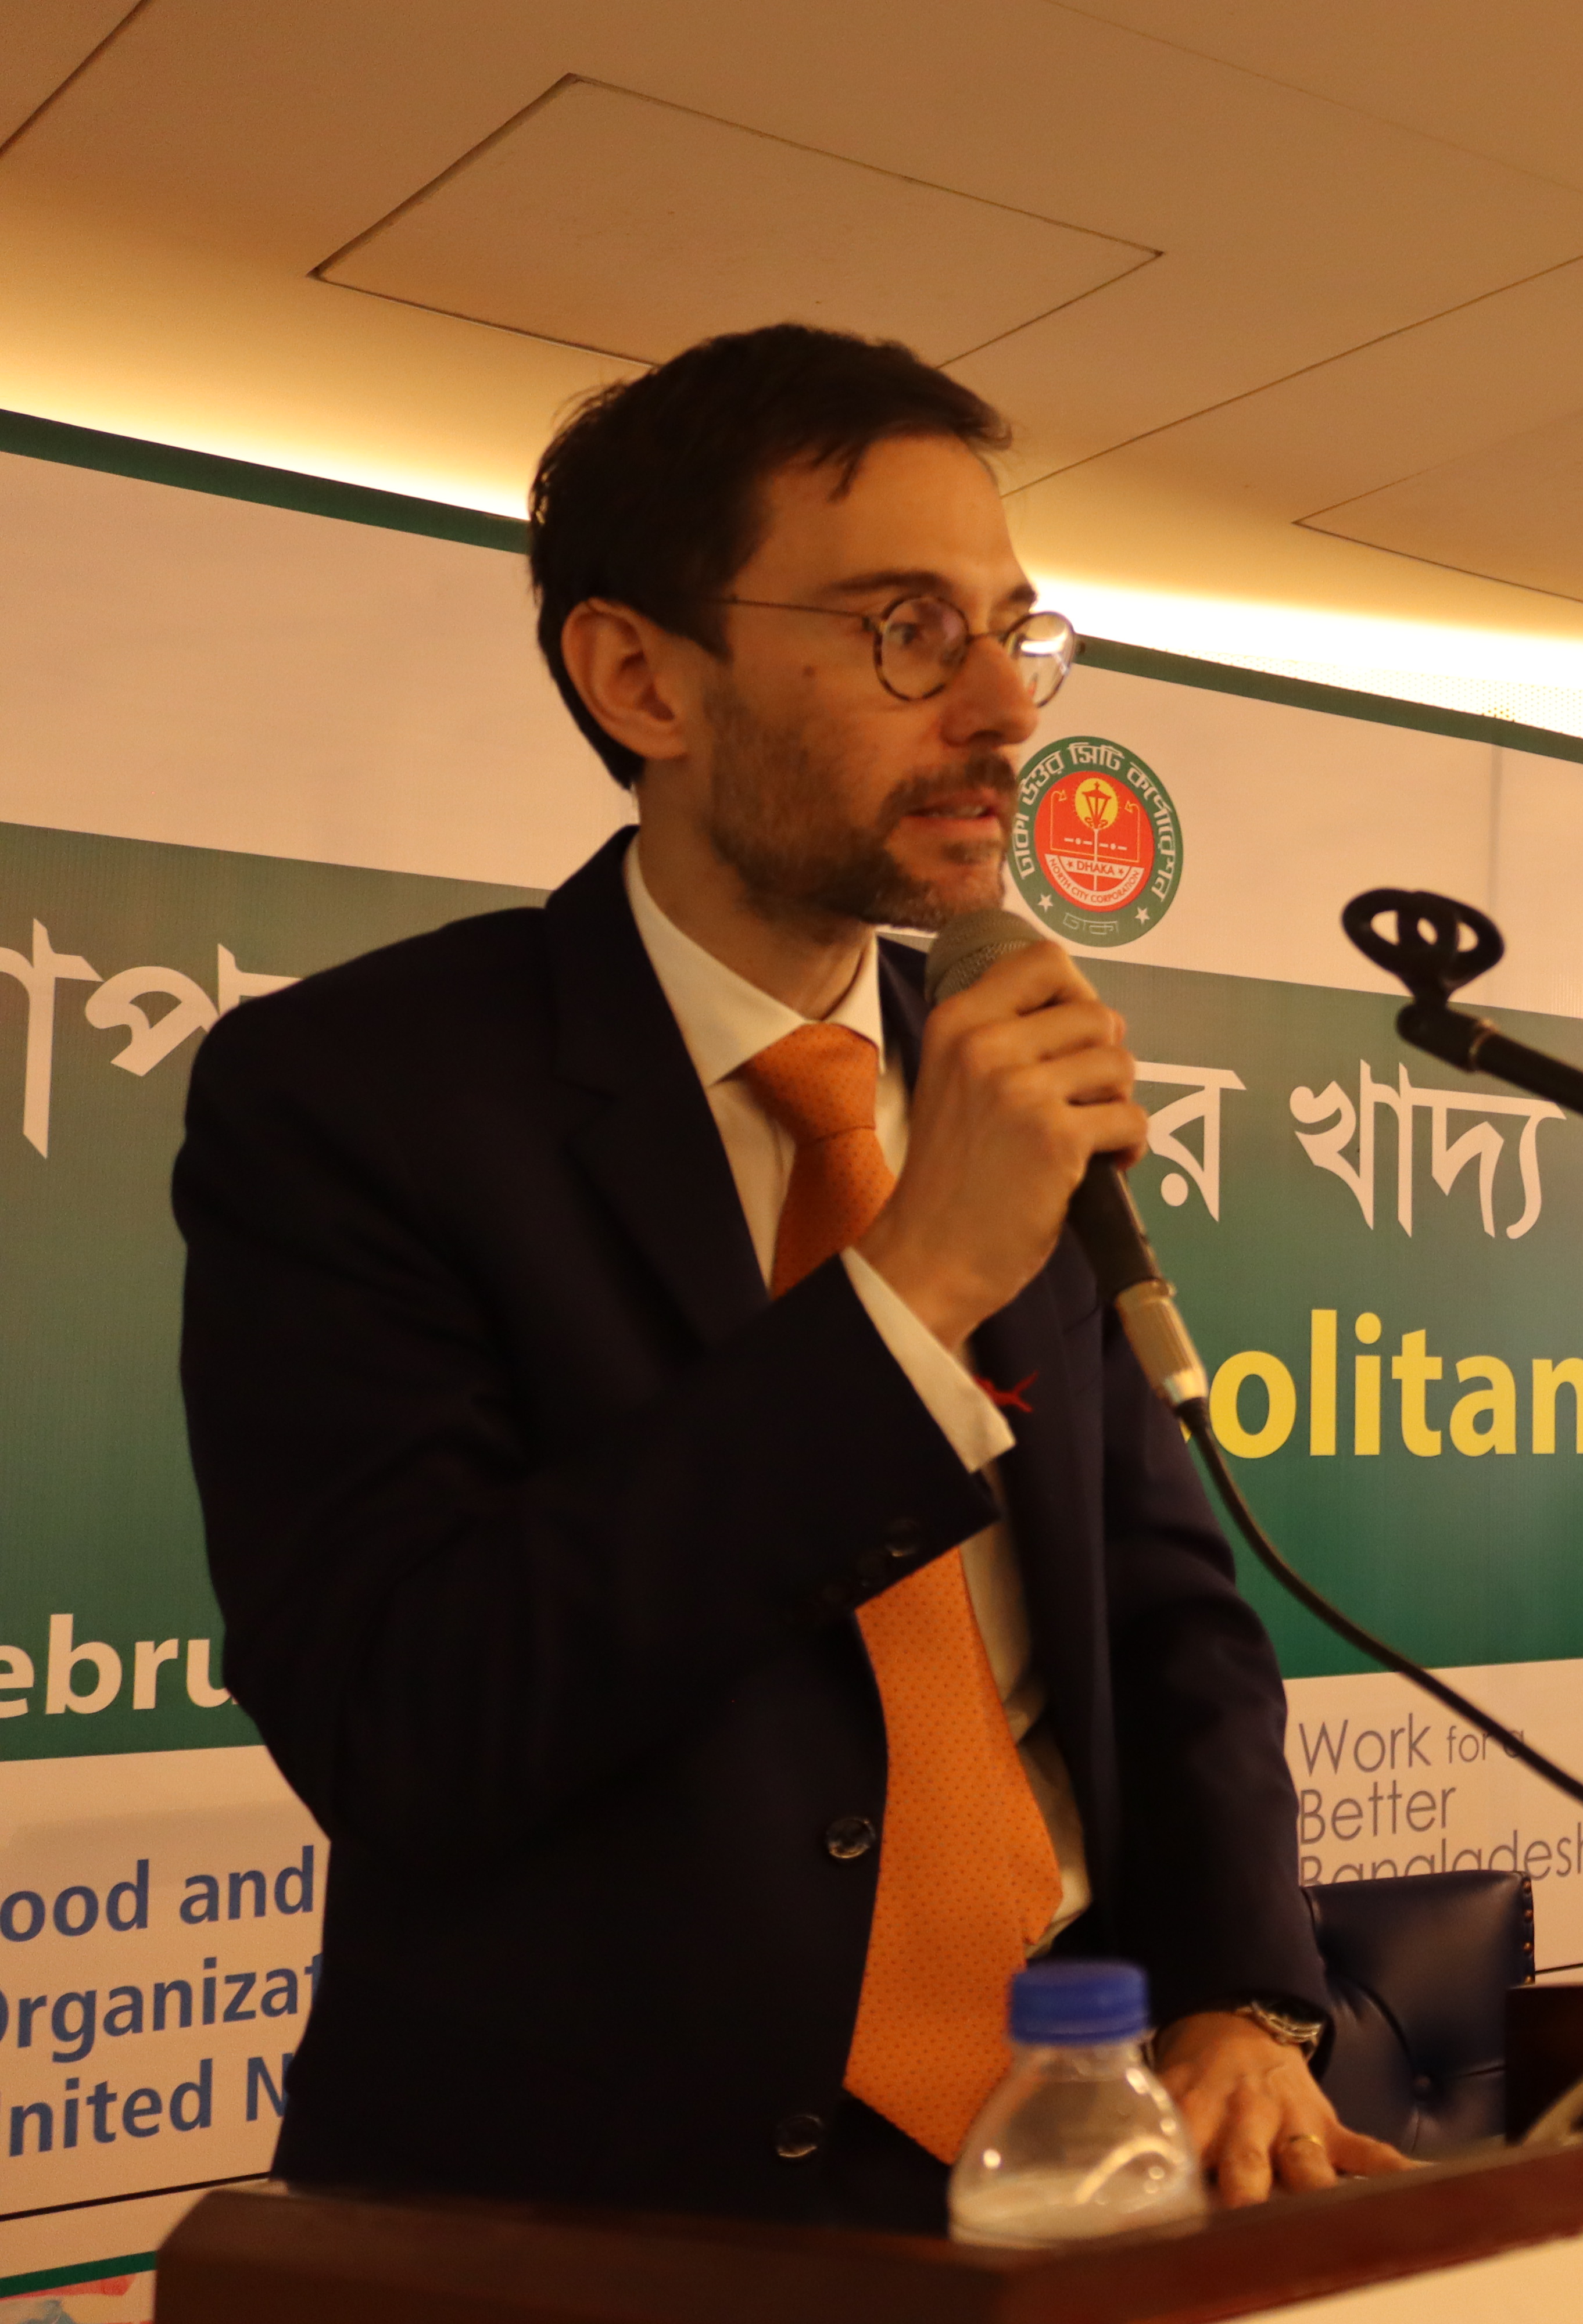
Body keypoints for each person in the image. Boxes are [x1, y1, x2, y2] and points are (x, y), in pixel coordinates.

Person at [172, 325, 1406, 2229]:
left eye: (1015, 631)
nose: (1001, 711)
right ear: (642, 676)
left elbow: (1168, 1619)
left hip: (1068, 2161)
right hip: (587, 2233)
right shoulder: (356, 1096)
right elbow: (413, 1718)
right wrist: (910, 1293)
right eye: (908, 630)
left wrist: (1244, 1998)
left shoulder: (991, 1060)